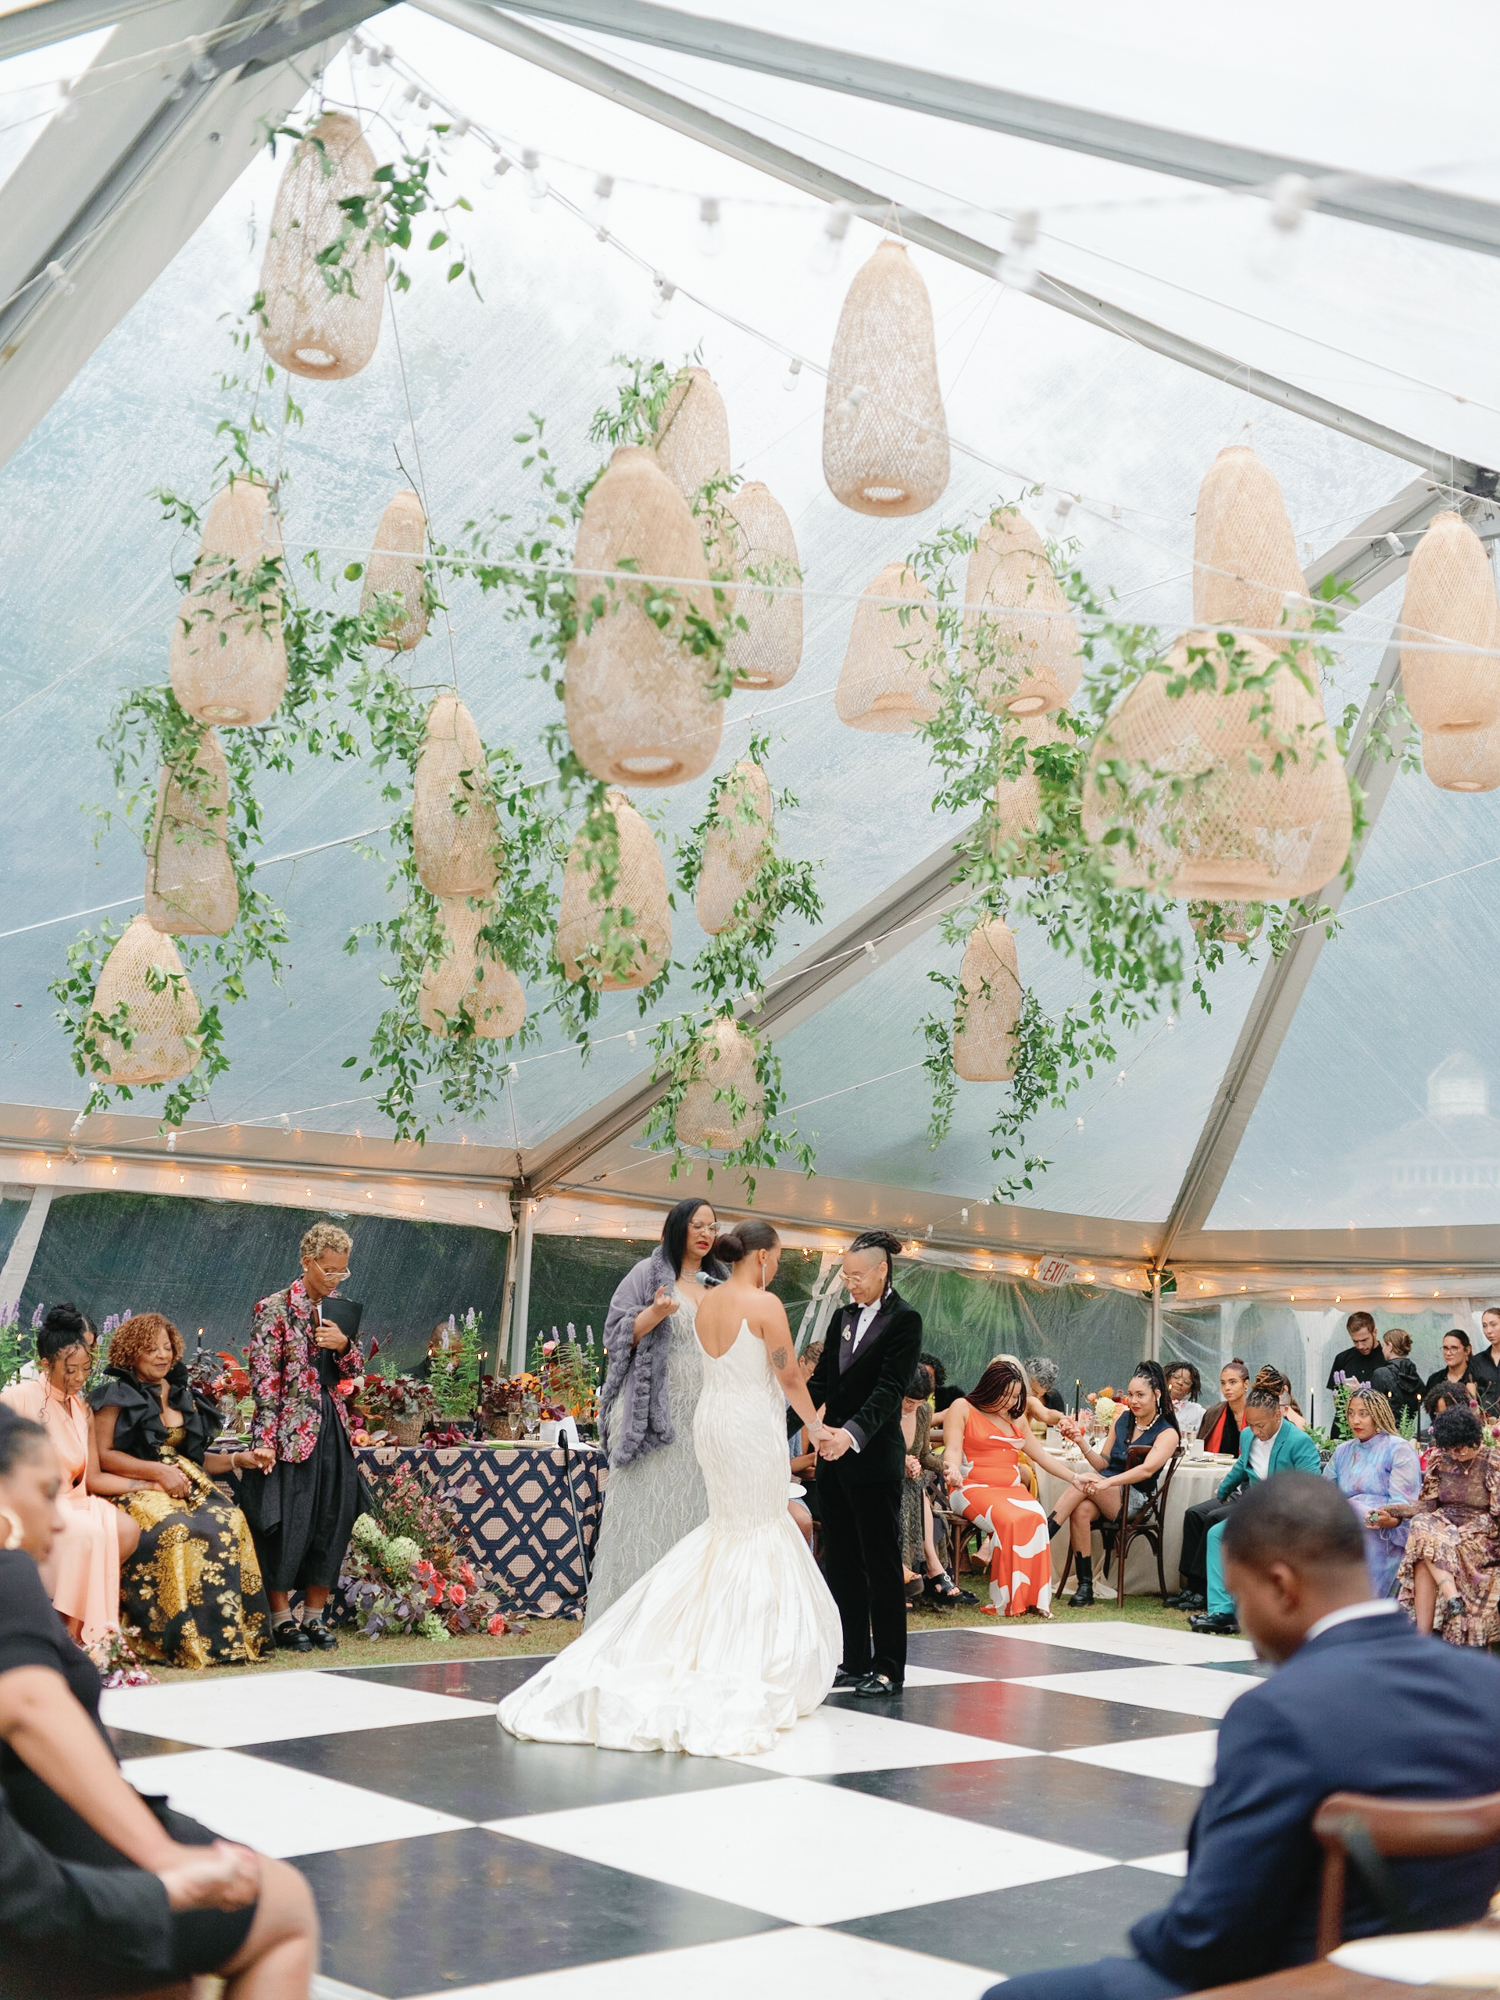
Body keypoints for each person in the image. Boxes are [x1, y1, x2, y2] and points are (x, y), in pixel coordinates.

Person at [985, 1474, 1500, 2000]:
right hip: (1458, 1978)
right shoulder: (1488, 1686)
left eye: (1239, 1596)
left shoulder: (1278, 1715)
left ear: (1280, 1585)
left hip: (1299, 1984)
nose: (1248, 1634)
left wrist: (1146, 1938)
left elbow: (1210, 1937)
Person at [0, 1408, 320, 1997]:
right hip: (51, 1861)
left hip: (38, 1848)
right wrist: (165, 1859)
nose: (61, 1519)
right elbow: (27, 1704)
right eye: (47, 1493)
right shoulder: (6, 1567)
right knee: (287, 1908)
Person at [497, 1220, 839, 1756]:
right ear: (764, 1259)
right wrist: (814, 1427)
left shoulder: (706, 1302)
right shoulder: (764, 1305)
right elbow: (788, 1375)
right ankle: (747, 1649)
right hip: (750, 1427)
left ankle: (696, 1635)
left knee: (728, 1530)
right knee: (755, 1529)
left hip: (712, 1425)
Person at [90, 1312, 274, 1669]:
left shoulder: (179, 1394)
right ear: (131, 1353)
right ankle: (175, 1641)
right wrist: (156, 1473)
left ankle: (229, 1640)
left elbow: (193, 1459)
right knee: (176, 1528)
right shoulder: (114, 1396)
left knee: (229, 1521)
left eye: (167, 1348)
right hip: (133, 1487)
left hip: (187, 1487)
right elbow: (102, 1455)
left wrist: (239, 1459)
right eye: (151, 1349)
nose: (161, 1355)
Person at [589, 1199, 726, 1621]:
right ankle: (633, 1618)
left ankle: (687, 1620)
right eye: (697, 1225)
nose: (705, 1234)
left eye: (712, 1227)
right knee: (648, 1514)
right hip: (654, 1414)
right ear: (678, 1228)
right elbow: (615, 1336)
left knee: (693, 1513)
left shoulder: (721, 1282)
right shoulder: (646, 1275)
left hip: (706, 1413)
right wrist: (655, 1312)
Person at [805, 1230, 924, 1696]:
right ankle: (853, 1659)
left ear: (882, 1270)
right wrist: (780, 1415)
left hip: (872, 1459)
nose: (849, 1283)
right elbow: (823, 1385)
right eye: (845, 1275)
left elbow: (889, 1389)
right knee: (842, 1563)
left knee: (880, 1564)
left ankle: (889, 1667)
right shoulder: (843, 1317)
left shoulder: (906, 1320)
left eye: (857, 1276)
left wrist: (849, 1436)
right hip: (832, 1461)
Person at [238, 1220, 364, 1654]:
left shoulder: (340, 1310)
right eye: (330, 1271)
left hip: (333, 1429)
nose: (335, 1279)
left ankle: (314, 1616)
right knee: (285, 1524)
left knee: (331, 1519)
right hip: (288, 1433)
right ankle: (280, 1619)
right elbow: (264, 1382)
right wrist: (264, 1441)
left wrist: (344, 1347)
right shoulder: (272, 1309)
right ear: (308, 1261)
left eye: (342, 1272)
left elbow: (355, 1373)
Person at [1, 1313, 140, 1646]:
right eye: (70, 1370)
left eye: (85, 1369)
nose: (79, 1378)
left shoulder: (81, 1409)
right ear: (45, 1363)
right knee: (87, 1534)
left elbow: (89, 1476)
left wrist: (146, 1484)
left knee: (127, 1529)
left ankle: (80, 1623)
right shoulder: (18, 1396)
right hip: (34, 1499)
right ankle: (62, 1629)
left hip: (76, 1498)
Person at [943, 1359, 1082, 1617]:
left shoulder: (1016, 1418)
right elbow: (952, 1448)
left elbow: (1041, 1456)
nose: (1009, 1402)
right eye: (1005, 1395)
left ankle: (1034, 1601)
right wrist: (951, 1470)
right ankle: (1008, 1601)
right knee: (1009, 1520)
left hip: (1011, 1488)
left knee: (1038, 1518)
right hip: (972, 1486)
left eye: (1015, 1396)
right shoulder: (962, 1408)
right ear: (989, 1387)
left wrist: (1075, 1478)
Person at [1188, 1385, 1322, 1635]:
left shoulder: (1298, 1442)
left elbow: (1311, 1485)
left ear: (1277, 1416)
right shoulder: (1248, 1435)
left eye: (1260, 1425)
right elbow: (1243, 1465)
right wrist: (1224, 1490)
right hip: (1257, 1510)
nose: (1256, 1430)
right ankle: (1222, 1611)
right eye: (1251, 1424)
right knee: (1217, 1534)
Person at [1053, 1362, 1180, 1608]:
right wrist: (1080, 1442)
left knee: (1084, 1482)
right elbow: (1103, 1463)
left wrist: (1105, 1483)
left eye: (1140, 1395)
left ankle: (1044, 1533)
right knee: (1080, 1511)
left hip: (1137, 1499)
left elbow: (1146, 1470)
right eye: (1131, 1394)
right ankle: (1085, 1586)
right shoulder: (1121, 1419)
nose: (1133, 1400)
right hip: (1107, 1490)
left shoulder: (1168, 1433)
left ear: (1157, 1395)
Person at [1394, 1403, 1500, 1644]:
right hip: (1443, 1526)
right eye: (1450, 1450)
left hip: (1480, 1532)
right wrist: (1394, 1511)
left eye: (1460, 1451)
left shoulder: (1492, 1461)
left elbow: (1496, 1515)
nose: (1455, 1456)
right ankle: (1450, 1602)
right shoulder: (1440, 1459)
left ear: (1474, 1440)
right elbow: (1427, 1507)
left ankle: (1423, 1639)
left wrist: (1460, 1531)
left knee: (1425, 1555)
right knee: (1422, 1525)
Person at [1324, 1386, 1421, 1596]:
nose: (1355, 1421)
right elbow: (1324, 1492)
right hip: (1344, 1524)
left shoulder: (1398, 1449)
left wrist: (1388, 1519)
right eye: (1351, 1413)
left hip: (1384, 1532)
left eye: (1363, 1414)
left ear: (1378, 1415)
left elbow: (1403, 1505)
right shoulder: (1343, 1452)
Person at [899, 1364, 962, 1605]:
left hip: (911, 1482)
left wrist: (945, 1466)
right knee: (910, 1492)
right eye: (908, 1401)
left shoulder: (923, 1412)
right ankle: (926, 1570)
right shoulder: (886, 1406)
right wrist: (900, 1461)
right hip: (885, 1479)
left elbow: (924, 1455)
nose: (911, 1407)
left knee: (915, 1488)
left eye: (917, 1403)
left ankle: (918, 1571)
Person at [1195, 1358, 1250, 1456]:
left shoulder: (1258, 1413)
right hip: (1216, 1469)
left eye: (1232, 1382)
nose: (1227, 1388)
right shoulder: (1213, 1413)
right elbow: (1200, 1448)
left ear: (1246, 1384)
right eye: (1223, 1383)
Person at [1371, 1329, 1425, 1426]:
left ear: (1390, 1347)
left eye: (1384, 1345)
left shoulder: (1381, 1374)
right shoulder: (1416, 1377)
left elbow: (1375, 1409)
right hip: (1412, 1433)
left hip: (1387, 1433)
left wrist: (1360, 1391)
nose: (1382, 1349)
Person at [1327, 1310, 1384, 1389]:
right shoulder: (1342, 1359)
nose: (1360, 1346)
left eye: (1364, 1340)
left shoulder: (1387, 1359)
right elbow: (1336, 1395)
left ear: (1374, 1332)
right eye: (1355, 1341)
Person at [1424, 1328, 1478, 1403]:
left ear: (1467, 1350)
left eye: (1454, 1348)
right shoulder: (1435, 1380)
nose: (1448, 1353)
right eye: (1445, 1348)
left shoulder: (1477, 1378)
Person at [1468, 1306, 1500, 1413]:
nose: (1488, 1331)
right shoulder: (1477, 1361)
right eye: (1484, 1326)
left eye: (1493, 1325)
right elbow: (1471, 1388)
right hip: (1486, 1424)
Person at [1166, 1363, 1204, 1437]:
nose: (1180, 1383)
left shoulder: (1197, 1411)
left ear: (1191, 1389)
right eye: (1176, 1377)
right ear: (1167, 1378)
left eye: (1186, 1382)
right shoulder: (1153, 1404)